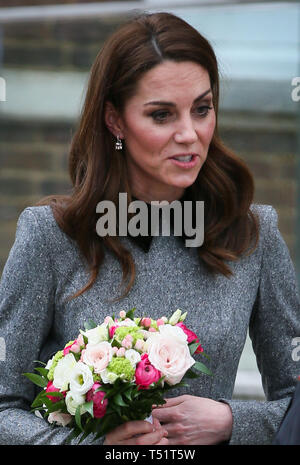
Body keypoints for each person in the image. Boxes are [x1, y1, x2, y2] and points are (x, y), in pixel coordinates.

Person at [0, 11, 299, 446]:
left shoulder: (254, 234)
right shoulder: (50, 237)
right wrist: (95, 447)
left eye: (202, 109)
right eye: (162, 115)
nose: (190, 134)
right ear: (115, 120)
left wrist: (231, 422)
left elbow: (294, 400)